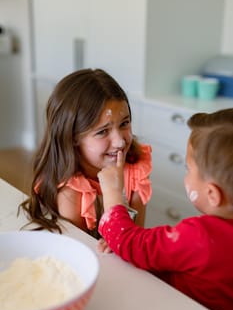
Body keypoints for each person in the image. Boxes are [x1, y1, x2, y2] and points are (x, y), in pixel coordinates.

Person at [97, 108, 233, 310]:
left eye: (188, 169)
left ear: (212, 194)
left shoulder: (199, 237)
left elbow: (131, 243)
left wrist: (113, 195)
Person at [20, 68, 152, 242]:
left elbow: (137, 241)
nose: (120, 142)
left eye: (124, 123)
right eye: (103, 131)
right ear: (72, 137)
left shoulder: (135, 173)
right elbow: (82, 253)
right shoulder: (70, 193)